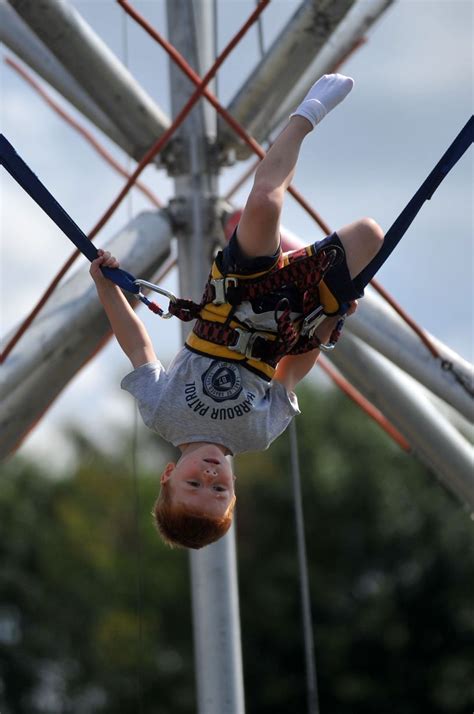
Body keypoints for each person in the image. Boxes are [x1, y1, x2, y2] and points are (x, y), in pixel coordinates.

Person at [90, 74, 384, 550]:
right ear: (234, 487)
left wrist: (106, 288)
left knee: (264, 205)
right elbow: (292, 371)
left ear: (169, 473)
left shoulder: (162, 414)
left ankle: (304, 117)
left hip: (234, 300)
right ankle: (313, 269)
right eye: (218, 488)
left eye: (193, 484)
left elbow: (138, 345)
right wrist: (328, 326)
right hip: (290, 322)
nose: (208, 476)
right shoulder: (258, 433)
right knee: (369, 236)